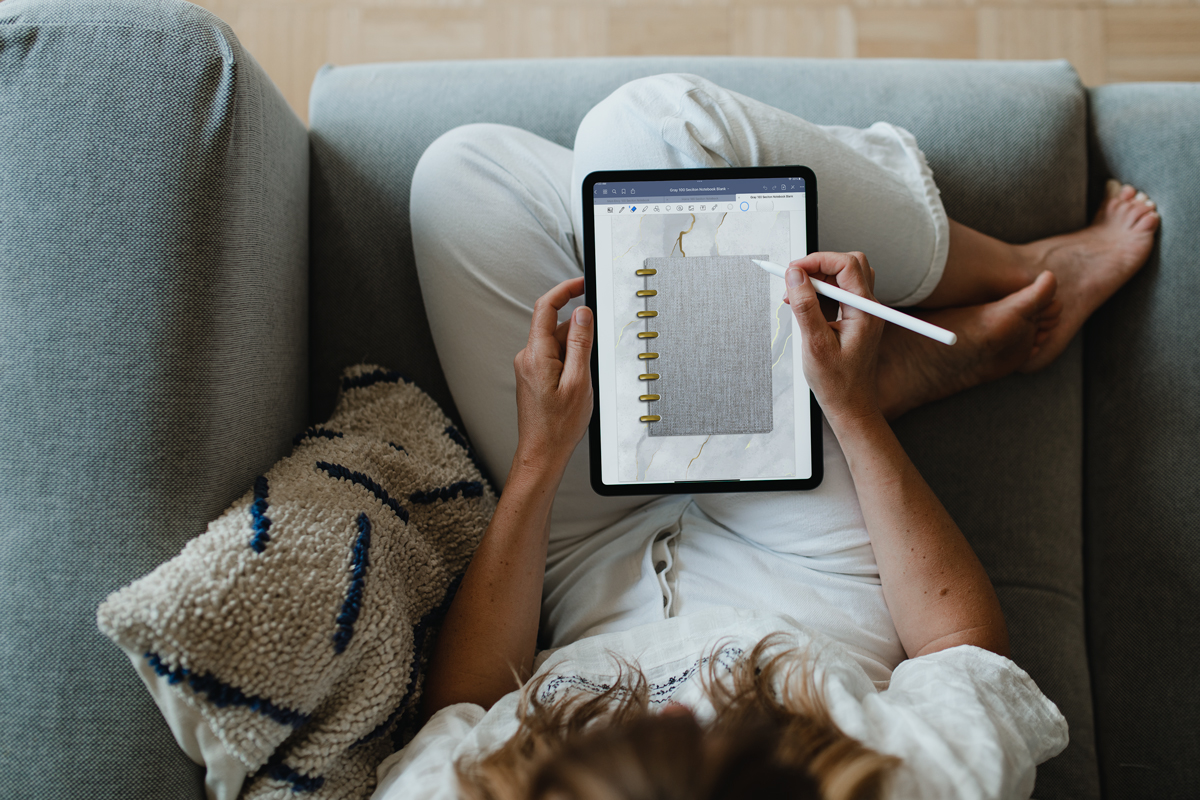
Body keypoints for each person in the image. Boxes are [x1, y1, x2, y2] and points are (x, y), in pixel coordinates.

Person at [371, 75, 1159, 800]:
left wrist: (540, 459)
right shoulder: (911, 782)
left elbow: (462, 710)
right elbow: (965, 648)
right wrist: (853, 419)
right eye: (716, 738)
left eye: (636, 737)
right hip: (799, 567)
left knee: (462, 174)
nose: (680, 708)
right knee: (653, 130)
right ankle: (1010, 277)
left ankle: (850, 378)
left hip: (583, 561)